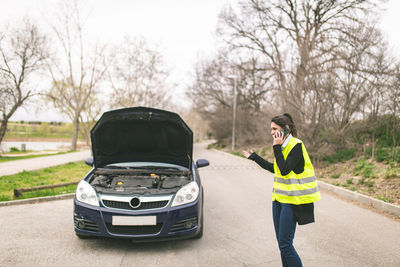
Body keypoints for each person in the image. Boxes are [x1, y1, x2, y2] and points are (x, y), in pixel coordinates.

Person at [242, 113, 320, 267]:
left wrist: (276, 146)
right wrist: (255, 157)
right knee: (282, 245)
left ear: (286, 128)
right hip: (278, 200)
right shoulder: (283, 146)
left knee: (285, 245)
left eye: (274, 129)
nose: (271, 132)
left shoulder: (296, 145)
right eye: (271, 129)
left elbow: (284, 170)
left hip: (291, 202)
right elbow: (276, 169)